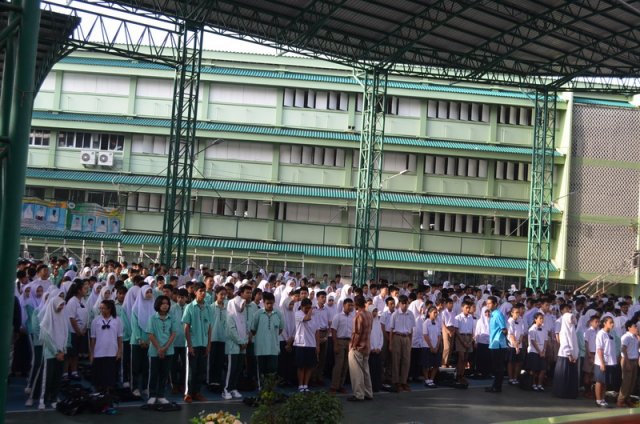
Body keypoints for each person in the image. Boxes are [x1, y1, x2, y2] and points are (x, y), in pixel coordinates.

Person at [183, 283, 212, 403]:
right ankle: (188, 393)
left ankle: (197, 392)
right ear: (195, 292)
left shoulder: (208, 308)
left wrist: (209, 344)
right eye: (200, 291)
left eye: (204, 291)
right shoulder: (189, 307)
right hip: (193, 344)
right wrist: (189, 345)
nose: (203, 293)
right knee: (191, 370)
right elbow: (186, 327)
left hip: (203, 343)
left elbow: (209, 326)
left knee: (201, 370)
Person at [146, 295, 178, 405]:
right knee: (154, 373)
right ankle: (152, 394)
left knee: (164, 374)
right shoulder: (152, 318)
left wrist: (165, 348)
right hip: (155, 351)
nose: (165, 305)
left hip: (168, 351)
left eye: (167, 303)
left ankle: (161, 395)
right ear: (158, 305)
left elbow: (173, 334)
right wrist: (159, 349)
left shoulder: (172, 318)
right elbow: (150, 334)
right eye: (163, 303)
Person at [38, 296, 67, 410]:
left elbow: (65, 334)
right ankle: (43, 399)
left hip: (61, 353)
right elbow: (46, 337)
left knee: (57, 377)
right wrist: (56, 352)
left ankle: (54, 398)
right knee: (47, 378)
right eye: (60, 305)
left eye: (62, 305)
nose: (61, 307)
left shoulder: (62, 318)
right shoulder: (47, 319)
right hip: (50, 354)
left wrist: (63, 350)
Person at [223, 285, 251, 400]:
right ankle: (226, 389)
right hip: (233, 346)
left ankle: (233, 388)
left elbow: (245, 328)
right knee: (232, 368)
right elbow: (231, 331)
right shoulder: (230, 314)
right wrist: (240, 342)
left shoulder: (242, 313)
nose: (243, 306)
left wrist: (245, 341)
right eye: (247, 293)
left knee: (239, 368)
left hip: (242, 346)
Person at [251, 292, 283, 389]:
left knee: (272, 370)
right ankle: (262, 390)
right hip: (260, 348)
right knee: (261, 370)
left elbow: (280, 329)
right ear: (263, 303)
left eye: (271, 303)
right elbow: (253, 329)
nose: (269, 305)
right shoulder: (258, 314)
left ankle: (270, 389)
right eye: (267, 303)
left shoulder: (278, 314)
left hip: (273, 348)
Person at [89, 300, 123, 393]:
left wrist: (119, 351)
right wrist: (92, 354)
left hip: (112, 352)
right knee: (99, 377)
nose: (101, 310)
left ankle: (108, 396)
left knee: (110, 377)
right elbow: (93, 339)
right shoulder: (96, 320)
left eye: (103, 308)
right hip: (99, 352)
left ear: (109, 309)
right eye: (100, 308)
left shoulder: (117, 320)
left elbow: (119, 337)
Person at [347, 295, 373, 402]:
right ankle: (368, 393)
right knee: (365, 371)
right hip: (367, 346)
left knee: (356, 372)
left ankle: (358, 394)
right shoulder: (369, 314)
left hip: (358, 347)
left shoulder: (358, 316)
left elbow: (356, 333)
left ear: (356, 304)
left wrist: (352, 345)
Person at [130, 285, 154, 397]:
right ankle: (135, 387)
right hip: (137, 341)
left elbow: (154, 324)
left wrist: (149, 340)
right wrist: (139, 339)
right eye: (147, 292)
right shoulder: (135, 308)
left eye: (150, 292)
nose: (149, 294)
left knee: (146, 366)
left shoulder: (154, 307)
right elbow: (134, 325)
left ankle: (145, 387)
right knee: (136, 365)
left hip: (150, 342)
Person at [389, 295, 414, 392]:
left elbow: (411, 330)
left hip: (406, 337)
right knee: (396, 360)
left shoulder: (410, 314)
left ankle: (404, 382)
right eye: (402, 303)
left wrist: (410, 342)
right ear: (399, 304)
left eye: (406, 303)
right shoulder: (395, 314)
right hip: (397, 337)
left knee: (406, 360)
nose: (404, 305)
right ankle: (396, 382)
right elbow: (391, 330)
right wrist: (391, 343)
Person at [294, 298, 319, 393]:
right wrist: (311, 309)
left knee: (309, 366)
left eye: (310, 307)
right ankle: (300, 385)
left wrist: (317, 346)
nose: (308, 310)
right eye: (306, 308)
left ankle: (306, 384)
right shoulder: (298, 314)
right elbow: (307, 318)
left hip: (311, 344)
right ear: (302, 307)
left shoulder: (314, 315)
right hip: (301, 343)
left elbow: (317, 331)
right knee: (301, 366)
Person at [552, 311, 579, 398]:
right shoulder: (563, 331)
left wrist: (575, 354)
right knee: (563, 376)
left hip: (573, 356)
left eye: (572, 318)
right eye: (570, 318)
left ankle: (570, 393)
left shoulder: (572, 329)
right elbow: (564, 343)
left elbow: (575, 343)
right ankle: (561, 393)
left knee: (571, 376)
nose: (572, 320)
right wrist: (569, 354)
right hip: (565, 356)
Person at [329, 298, 353, 394]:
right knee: (339, 364)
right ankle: (334, 386)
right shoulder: (337, 316)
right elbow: (333, 331)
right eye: (349, 305)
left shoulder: (353, 317)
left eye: (352, 305)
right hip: (340, 341)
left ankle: (341, 385)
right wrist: (335, 344)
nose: (350, 307)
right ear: (344, 305)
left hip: (349, 342)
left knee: (346, 365)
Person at [486, 296, 508, 393]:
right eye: (487, 303)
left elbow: (504, 329)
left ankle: (497, 387)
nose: (488, 305)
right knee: (496, 367)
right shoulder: (492, 314)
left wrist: (502, 338)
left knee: (499, 367)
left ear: (495, 304)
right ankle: (495, 385)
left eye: (490, 303)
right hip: (493, 344)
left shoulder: (498, 314)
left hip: (499, 345)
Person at [594, 316, 618, 408]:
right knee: (599, 381)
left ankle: (603, 399)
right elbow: (599, 349)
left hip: (610, 362)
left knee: (605, 382)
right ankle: (598, 400)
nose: (612, 324)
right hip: (602, 362)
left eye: (613, 322)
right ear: (604, 323)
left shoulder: (611, 334)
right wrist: (602, 363)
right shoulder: (601, 334)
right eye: (610, 322)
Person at [617, 320, 638, 407]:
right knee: (626, 381)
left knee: (632, 382)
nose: (636, 328)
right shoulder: (626, 337)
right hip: (627, 360)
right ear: (629, 328)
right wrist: (627, 362)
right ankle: (620, 400)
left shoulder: (635, 337)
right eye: (634, 326)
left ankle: (627, 398)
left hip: (634, 360)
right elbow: (623, 349)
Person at [526, 312, 548, 392]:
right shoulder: (532, 329)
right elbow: (533, 341)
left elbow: (546, 340)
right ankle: (533, 384)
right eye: (540, 318)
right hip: (533, 351)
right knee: (534, 369)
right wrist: (539, 351)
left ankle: (539, 384)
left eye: (542, 318)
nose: (542, 320)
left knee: (543, 369)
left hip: (542, 351)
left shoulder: (544, 328)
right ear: (535, 319)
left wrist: (544, 350)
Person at [454, 300, 474, 384]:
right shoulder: (458, 317)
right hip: (460, 337)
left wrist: (470, 341)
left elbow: (472, 330)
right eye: (466, 308)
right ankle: (458, 375)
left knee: (466, 358)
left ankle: (462, 375)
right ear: (462, 308)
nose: (468, 309)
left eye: (469, 308)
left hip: (468, 337)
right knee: (461, 358)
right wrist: (463, 342)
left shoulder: (471, 317)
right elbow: (456, 331)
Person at [422, 306, 442, 388]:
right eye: (434, 312)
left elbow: (439, 336)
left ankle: (431, 379)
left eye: (436, 312)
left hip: (435, 347)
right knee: (426, 365)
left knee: (436, 364)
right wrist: (431, 347)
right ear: (429, 313)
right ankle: (427, 379)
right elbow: (425, 335)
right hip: (427, 347)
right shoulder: (426, 322)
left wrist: (437, 347)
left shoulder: (437, 323)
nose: (436, 314)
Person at [507, 306, 526, 385]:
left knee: (518, 362)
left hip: (519, 344)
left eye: (519, 312)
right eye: (516, 312)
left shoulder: (521, 320)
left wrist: (519, 342)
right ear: (512, 313)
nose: (518, 314)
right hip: (511, 345)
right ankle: (511, 378)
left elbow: (522, 333)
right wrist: (515, 345)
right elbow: (511, 334)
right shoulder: (510, 321)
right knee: (511, 362)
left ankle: (515, 377)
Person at [583, 314, 599, 398]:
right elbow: (586, 343)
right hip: (590, 353)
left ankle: (592, 391)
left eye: (598, 322)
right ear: (591, 322)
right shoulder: (588, 331)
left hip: (597, 354)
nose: (597, 323)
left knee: (593, 374)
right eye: (596, 322)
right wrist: (589, 354)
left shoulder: (599, 331)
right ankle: (587, 391)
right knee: (587, 373)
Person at [368, 305, 383, 393]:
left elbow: (381, 336)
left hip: (378, 350)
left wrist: (379, 347)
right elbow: (368, 337)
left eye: (376, 311)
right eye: (373, 311)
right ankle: (371, 387)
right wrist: (372, 348)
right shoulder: (368, 323)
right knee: (371, 369)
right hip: (371, 351)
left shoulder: (378, 323)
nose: (374, 313)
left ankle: (377, 386)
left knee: (378, 369)